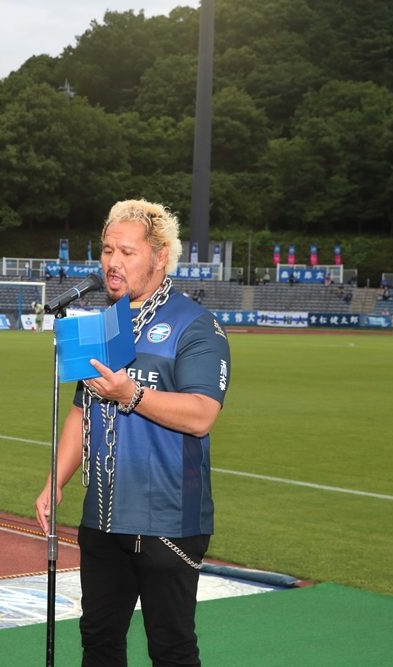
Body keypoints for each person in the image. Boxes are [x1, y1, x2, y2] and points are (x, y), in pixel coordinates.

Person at [35, 198, 231, 667]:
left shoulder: (196, 325)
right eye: (107, 251)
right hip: (102, 521)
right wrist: (55, 481)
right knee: (99, 642)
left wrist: (132, 394)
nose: (113, 262)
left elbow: (202, 414)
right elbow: (81, 412)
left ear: (159, 256)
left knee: (171, 649)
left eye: (126, 252)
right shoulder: (103, 323)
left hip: (169, 522)